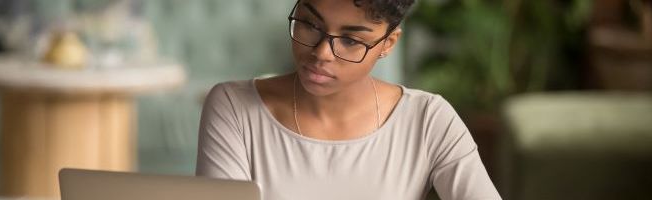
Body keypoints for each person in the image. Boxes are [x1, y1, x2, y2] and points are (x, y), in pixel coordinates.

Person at [196, 0, 501, 199]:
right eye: (310, 25)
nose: (321, 53)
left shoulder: (427, 120)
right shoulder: (234, 107)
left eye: (351, 40)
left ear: (388, 43)